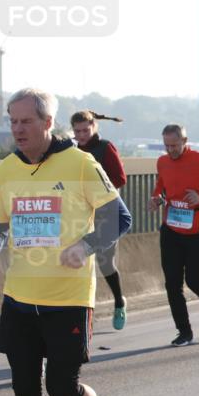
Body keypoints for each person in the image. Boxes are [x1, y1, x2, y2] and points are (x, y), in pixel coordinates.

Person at [0, 88, 130, 396]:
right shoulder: (4, 171)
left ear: (48, 123)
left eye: (26, 121)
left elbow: (120, 218)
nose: (18, 128)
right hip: (19, 299)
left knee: (63, 388)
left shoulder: (80, 164)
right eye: (12, 121)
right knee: (25, 393)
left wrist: (85, 246)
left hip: (69, 299)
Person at [150, 124, 199, 346]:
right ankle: (184, 331)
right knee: (172, 284)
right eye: (166, 146)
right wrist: (156, 198)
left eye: (174, 145)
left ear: (185, 141)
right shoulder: (162, 162)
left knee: (194, 279)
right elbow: (161, 186)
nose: (170, 150)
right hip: (171, 228)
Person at [71, 110, 129, 330]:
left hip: (107, 213)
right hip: (81, 213)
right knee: (78, 262)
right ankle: (82, 313)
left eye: (86, 130)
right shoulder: (72, 151)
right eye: (77, 131)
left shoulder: (105, 147)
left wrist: (95, 188)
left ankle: (119, 301)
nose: (82, 135)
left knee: (106, 264)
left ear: (94, 127)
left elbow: (120, 179)